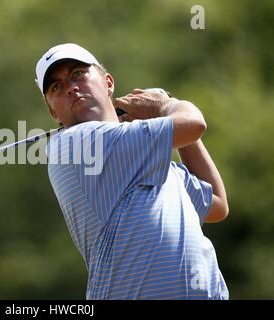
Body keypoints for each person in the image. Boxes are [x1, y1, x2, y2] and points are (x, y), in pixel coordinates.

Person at [35, 43, 229, 300]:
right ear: (52, 112)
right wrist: (166, 105)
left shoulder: (144, 157)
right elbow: (194, 123)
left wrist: (162, 122)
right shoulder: (72, 143)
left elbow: (216, 204)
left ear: (108, 82)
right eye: (56, 87)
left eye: (78, 74)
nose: (71, 87)